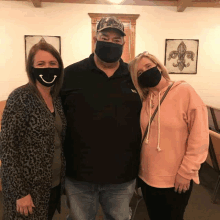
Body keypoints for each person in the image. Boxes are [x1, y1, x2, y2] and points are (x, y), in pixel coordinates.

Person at [61, 17, 142, 220]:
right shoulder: (70, 74)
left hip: (122, 174)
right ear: (95, 39)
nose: (111, 43)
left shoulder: (134, 76)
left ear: (124, 43)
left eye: (117, 40)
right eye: (105, 37)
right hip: (79, 173)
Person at [128, 51, 209, 220]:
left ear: (158, 66)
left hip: (176, 178)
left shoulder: (184, 91)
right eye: (140, 73)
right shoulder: (144, 100)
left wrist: (187, 172)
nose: (146, 73)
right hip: (147, 177)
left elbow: (199, 137)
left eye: (148, 67)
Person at [0, 39, 67, 220]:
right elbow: (7, 149)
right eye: (41, 63)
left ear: (59, 67)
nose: (47, 67)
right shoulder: (19, 97)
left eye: (53, 63)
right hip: (27, 190)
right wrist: (20, 193)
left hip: (52, 184)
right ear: (32, 68)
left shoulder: (57, 99)